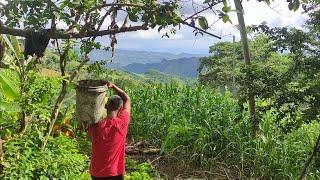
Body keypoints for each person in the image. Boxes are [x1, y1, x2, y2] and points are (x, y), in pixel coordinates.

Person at [87, 81, 131, 180]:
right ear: (120, 108)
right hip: (115, 173)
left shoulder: (95, 125)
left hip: (96, 173)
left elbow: (89, 135)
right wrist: (113, 86)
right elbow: (127, 98)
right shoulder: (122, 123)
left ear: (106, 106)